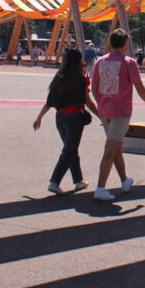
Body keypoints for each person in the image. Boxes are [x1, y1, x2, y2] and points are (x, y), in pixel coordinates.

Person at [90, 29, 145, 201]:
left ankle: (124, 181)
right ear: (125, 43)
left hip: (105, 111)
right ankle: (100, 188)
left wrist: (101, 103)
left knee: (116, 147)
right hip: (121, 112)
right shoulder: (129, 62)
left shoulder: (100, 61)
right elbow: (139, 86)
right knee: (110, 150)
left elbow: (94, 87)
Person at [32, 48, 97, 195]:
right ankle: (54, 182)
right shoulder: (80, 79)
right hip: (74, 118)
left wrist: (39, 117)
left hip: (60, 118)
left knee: (71, 149)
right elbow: (89, 103)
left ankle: (79, 181)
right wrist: (102, 117)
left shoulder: (59, 77)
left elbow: (49, 101)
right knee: (68, 151)